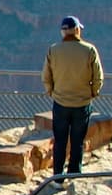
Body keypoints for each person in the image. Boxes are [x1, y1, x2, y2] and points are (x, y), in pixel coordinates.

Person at [42, 15, 103, 175]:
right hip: (82, 104)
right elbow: (98, 77)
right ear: (76, 30)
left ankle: (57, 176)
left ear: (63, 32)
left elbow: (46, 76)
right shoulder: (89, 50)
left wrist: (52, 92)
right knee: (78, 141)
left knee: (60, 141)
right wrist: (93, 92)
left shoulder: (53, 50)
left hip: (60, 103)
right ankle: (74, 173)